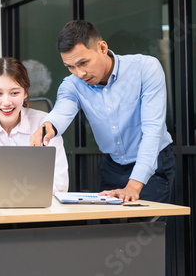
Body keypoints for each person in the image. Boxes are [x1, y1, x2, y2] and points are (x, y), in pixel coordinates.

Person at [29, 20, 175, 203]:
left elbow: (153, 130)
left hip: (153, 164)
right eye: (70, 67)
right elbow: (61, 112)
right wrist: (47, 127)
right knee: (108, 229)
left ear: (102, 48)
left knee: (148, 228)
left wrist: (134, 185)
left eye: (83, 62)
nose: (79, 73)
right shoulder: (72, 85)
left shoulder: (145, 68)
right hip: (113, 165)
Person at [0, 57, 69, 196]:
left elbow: (60, 183)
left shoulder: (45, 124)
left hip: (37, 212)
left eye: (14, 93)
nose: (7, 102)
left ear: (25, 92)